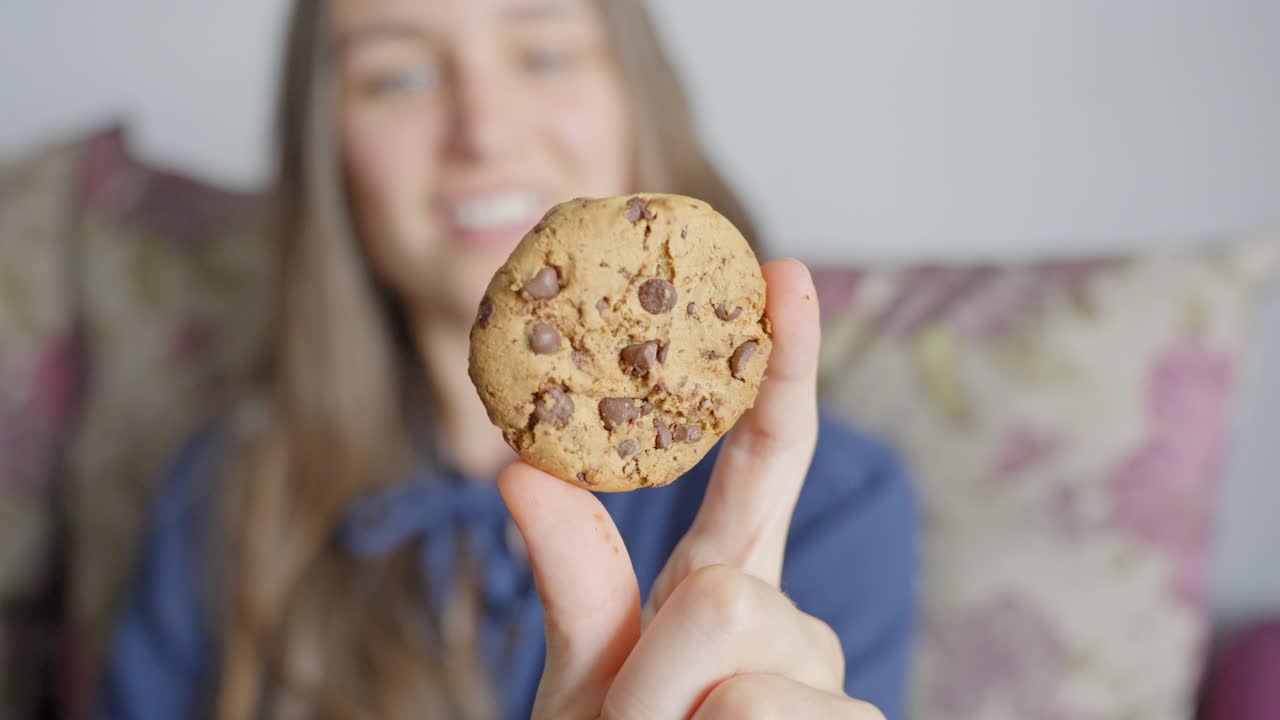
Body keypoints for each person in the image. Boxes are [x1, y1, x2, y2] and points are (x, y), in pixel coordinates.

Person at [94, 1, 917, 718]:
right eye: (399, 77)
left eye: (545, 54)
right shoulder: (221, 494)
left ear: (637, 92)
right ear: (328, 146)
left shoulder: (832, 508)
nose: (483, 130)